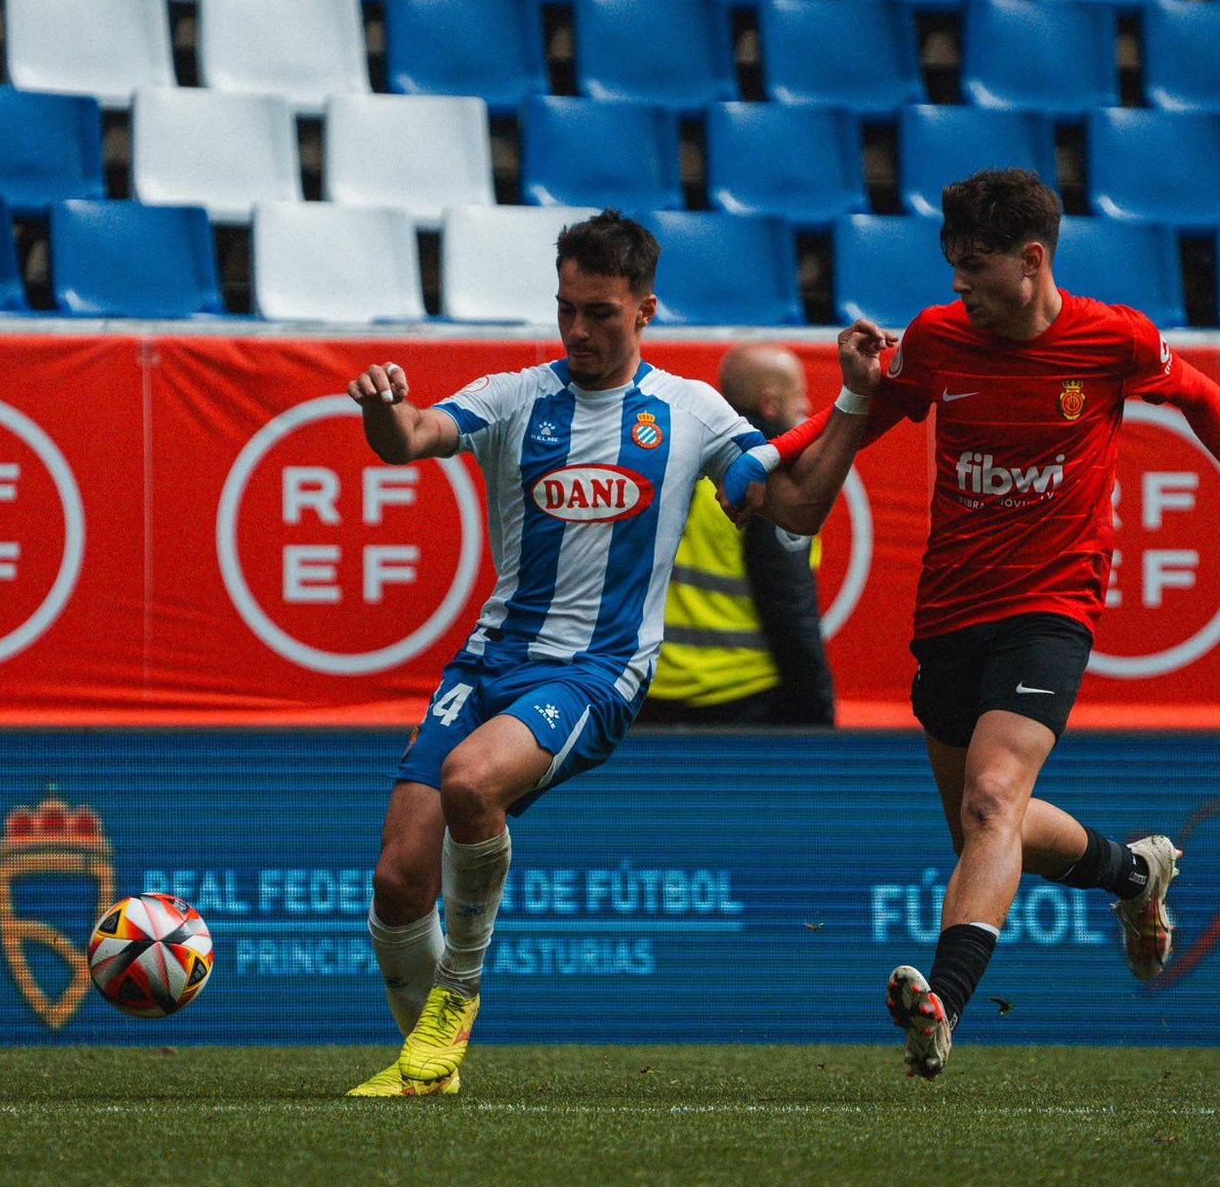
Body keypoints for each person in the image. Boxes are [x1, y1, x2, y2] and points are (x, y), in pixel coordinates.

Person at [724, 170, 1220, 1081]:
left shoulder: (1111, 338)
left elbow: (1205, 397)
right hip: (949, 608)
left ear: (1032, 259)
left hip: (1052, 604)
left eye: (973, 267)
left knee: (990, 801)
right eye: (952, 266)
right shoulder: (938, 339)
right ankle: (1133, 873)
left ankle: (944, 1004)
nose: (958, 284)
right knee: (984, 826)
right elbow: (865, 410)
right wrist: (779, 449)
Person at [341, 211, 871, 1098]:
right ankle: (429, 1071)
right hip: (489, 659)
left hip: (598, 672)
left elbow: (798, 510)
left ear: (646, 311)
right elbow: (412, 440)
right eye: (565, 310)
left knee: (473, 783)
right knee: (399, 881)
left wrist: (855, 403)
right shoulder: (515, 396)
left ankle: (456, 1000)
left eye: (601, 313)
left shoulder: (692, 412)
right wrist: (384, 410)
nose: (578, 331)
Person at [642, 342, 836, 727]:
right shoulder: (770, 482)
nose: (806, 410)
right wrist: (817, 710)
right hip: (745, 698)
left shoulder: (672, 465)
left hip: (652, 694)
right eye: (798, 398)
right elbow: (789, 606)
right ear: (769, 403)